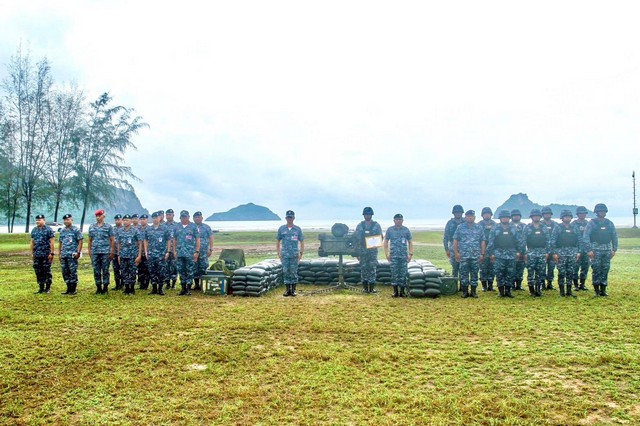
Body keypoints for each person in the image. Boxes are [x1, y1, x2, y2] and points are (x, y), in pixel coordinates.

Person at [487, 210, 524, 298]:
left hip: (511, 254)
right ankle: (501, 292)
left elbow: (519, 241)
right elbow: (491, 242)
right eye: (503, 217)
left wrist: (519, 252)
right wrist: (491, 254)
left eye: (507, 217)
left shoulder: (514, 228)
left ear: (509, 218)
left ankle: (508, 291)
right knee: (499, 273)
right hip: (498, 254)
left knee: (510, 273)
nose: (505, 218)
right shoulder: (495, 228)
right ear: (500, 218)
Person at [583, 203, 618, 297]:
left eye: (603, 211)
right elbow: (586, 237)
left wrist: (614, 249)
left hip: (607, 250)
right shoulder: (592, 223)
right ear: (597, 212)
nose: (602, 213)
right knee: (596, 269)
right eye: (600, 211)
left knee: (605, 269)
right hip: (595, 250)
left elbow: (614, 236)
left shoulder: (609, 223)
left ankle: (603, 289)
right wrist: (589, 250)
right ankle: (596, 290)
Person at [452, 210, 485, 298]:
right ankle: (465, 292)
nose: (470, 218)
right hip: (464, 255)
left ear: (474, 217)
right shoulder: (460, 227)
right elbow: (455, 240)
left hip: (475, 255)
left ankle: (473, 292)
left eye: (472, 216)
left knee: (474, 273)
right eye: (468, 216)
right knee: (464, 274)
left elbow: (482, 241)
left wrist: (482, 254)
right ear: (465, 217)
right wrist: (456, 253)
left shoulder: (479, 227)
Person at [551, 210, 580, 297]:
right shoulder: (557, 227)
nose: (567, 218)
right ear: (562, 218)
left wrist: (578, 252)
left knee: (570, 272)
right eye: (565, 216)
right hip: (561, 253)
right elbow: (553, 240)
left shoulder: (574, 227)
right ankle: (561, 291)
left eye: (569, 216)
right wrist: (554, 253)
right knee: (561, 272)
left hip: (572, 252)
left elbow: (579, 240)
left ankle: (569, 291)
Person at [384, 213, 413, 298]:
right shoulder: (390, 230)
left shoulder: (406, 230)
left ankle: (402, 292)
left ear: (402, 220)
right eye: (396, 219)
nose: (398, 221)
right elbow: (385, 241)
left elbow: (410, 242)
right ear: (394, 220)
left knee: (403, 274)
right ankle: (395, 292)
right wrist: (387, 254)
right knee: (394, 274)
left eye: (400, 219)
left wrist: (410, 254)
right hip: (393, 256)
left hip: (403, 256)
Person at [172, 210, 200, 296]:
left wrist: (197, 251)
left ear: (188, 217)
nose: (184, 218)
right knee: (181, 271)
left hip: (190, 253)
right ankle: (183, 288)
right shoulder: (177, 226)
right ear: (180, 217)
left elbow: (198, 239)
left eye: (185, 217)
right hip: (180, 253)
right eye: (182, 217)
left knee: (190, 271)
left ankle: (188, 289)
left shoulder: (193, 226)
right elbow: (175, 239)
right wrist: (174, 251)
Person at [277, 210, 305, 297]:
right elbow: (278, 241)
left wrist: (301, 253)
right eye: (288, 217)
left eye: (291, 217)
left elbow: (302, 241)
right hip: (285, 255)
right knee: (285, 271)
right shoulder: (281, 229)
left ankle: (293, 290)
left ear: (294, 218)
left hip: (294, 255)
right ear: (286, 218)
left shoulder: (297, 229)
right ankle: (287, 290)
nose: (290, 219)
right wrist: (279, 253)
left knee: (293, 271)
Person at [356, 207, 383, 294]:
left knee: (372, 269)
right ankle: (365, 288)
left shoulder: (376, 225)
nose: (367, 216)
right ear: (363, 215)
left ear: (371, 215)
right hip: (363, 251)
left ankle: (371, 288)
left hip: (372, 251)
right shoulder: (360, 225)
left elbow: (380, 237)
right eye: (366, 214)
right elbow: (356, 239)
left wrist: (373, 243)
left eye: (369, 214)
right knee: (363, 269)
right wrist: (357, 253)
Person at [524, 209, 550, 297]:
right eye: (534, 216)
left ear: (540, 217)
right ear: (531, 217)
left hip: (542, 252)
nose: (536, 217)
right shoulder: (527, 228)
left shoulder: (544, 227)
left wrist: (547, 252)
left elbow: (547, 240)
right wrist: (525, 253)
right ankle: (531, 291)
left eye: (538, 216)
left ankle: (538, 290)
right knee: (530, 272)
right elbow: (523, 241)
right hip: (531, 252)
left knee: (540, 272)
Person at [88, 209, 115, 294]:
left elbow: (112, 240)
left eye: (99, 216)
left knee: (105, 270)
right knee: (96, 270)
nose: (98, 217)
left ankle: (105, 287)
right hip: (95, 252)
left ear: (104, 216)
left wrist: (112, 252)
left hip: (105, 252)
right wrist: (89, 251)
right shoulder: (92, 227)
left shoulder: (108, 227)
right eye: (97, 216)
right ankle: (98, 287)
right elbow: (90, 240)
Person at [145, 211, 171, 295]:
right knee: (152, 271)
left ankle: (160, 288)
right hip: (151, 254)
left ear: (159, 218)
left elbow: (168, 240)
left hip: (161, 254)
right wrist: (146, 251)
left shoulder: (165, 229)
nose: (155, 219)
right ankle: (154, 288)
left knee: (161, 271)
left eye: (156, 218)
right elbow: (145, 240)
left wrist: (168, 251)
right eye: (153, 218)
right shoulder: (148, 229)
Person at [117, 214, 142, 295]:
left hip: (132, 255)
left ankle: (132, 288)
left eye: (127, 220)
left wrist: (139, 255)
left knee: (132, 272)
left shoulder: (135, 231)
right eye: (124, 220)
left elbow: (140, 243)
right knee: (124, 272)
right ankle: (126, 288)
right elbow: (119, 243)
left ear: (130, 221)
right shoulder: (120, 231)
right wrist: (118, 255)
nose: (125, 222)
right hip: (123, 255)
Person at [58, 214, 83, 295]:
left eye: (68, 219)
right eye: (65, 220)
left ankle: (73, 289)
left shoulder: (76, 229)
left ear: (72, 220)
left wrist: (78, 252)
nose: (66, 221)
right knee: (65, 272)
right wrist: (59, 254)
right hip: (64, 254)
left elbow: (80, 241)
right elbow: (60, 243)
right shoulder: (62, 230)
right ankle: (68, 288)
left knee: (72, 272)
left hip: (72, 254)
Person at [30, 214, 55, 294]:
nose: (37, 221)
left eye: (39, 220)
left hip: (46, 254)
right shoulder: (34, 230)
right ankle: (41, 287)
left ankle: (47, 288)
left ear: (44, 220)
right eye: (37, 220)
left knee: (46, 271)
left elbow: (52, 242)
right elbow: (32, 242)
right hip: (37, 254)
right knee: (38, 271)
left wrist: (52, 253)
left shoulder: (48, 229)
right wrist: (32, 253)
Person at [444, 205, 464, 288]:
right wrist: (447, 249)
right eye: (456, 212)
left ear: (462, 213)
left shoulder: (465, 222)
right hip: (452, 247)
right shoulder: (450, 223)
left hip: (464, 247)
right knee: (455, 268)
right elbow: (445, 237)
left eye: (459, 212)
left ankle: (463, 286)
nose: (458, 214)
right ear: (453, 213)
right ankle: (454, 287)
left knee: (463, 269)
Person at [193, 211, 214, 292]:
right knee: (194, 267)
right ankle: (196, 285)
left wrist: (211, 249)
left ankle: (203, 285)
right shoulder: (191, 227)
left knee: (203, 267)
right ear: (193, 218)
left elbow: (211, 238)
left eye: (199, 217)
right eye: (196, 217)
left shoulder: (206, 227)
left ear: (202, 218)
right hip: (194, 251)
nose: (197, 219)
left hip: (204, 251)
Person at [572, 206, 590, 291]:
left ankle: (582, 284)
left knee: (585, 267)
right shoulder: (573, 224)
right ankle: (575, 285)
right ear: (577, 214)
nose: (582, 215)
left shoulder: (589, 224)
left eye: (584, 213)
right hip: (576, 248)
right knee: (575, 267)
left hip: (586, 249)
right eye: (580, 213)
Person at [478, 207, 496, 292]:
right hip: (482, 250)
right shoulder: (479, 225)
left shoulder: (495, 224)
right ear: (482, 215)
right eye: (485, 214)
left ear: (491, 215)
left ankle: (491, 285)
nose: (487, 215)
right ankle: (484, 286)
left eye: (488, 213)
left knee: (492, 268)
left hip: (493, 250)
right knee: (483, 268)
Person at [541, 206, 558, 290]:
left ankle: (550, 283)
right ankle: (542, 284)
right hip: (543, 249)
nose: (547, 215)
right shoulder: (539, 224)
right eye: (545, 214)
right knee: (542, 267)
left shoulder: (556, 224)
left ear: (551, 214)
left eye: (548, 213)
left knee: (551, 267)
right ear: (542, 215)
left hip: (553, 249)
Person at [511, 209, 526, 291]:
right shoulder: (508, 226)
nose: (516, 217)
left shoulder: (524, 226)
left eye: (517, 215)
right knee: (511, 269)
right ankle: (512, 285)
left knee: (520, 269)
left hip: (522, 251)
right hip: (511, 251)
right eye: (514, 215)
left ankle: (519, 285)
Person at [164, 208, 179, 289]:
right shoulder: (163, 226)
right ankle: (167, 284)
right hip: (165, 249)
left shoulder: (177, 225)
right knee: (166, 266)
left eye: (170, 214)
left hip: (174, 249)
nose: (168, 216)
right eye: (167, 215)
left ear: (173, 215)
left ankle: (173, 284)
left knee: (174, 267)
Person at [136, 214, 150, 290]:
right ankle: (141, 284)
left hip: (147, 252)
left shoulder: (150, 229)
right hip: (139, 252)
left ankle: (146, 284)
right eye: (141, 219)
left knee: (147, 268)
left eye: (144, 219)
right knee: (140, 268)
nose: (142, 221)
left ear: (147, 220)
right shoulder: (137, 229)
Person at [112, 214, 124, 290]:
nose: (117, 221)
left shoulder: (124, 228)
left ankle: (123, 283)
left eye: (118, 220)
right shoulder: (112, 229)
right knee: (115, 269)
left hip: (123, 252)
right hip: (114, 252)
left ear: (121, 220)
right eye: (116, 220)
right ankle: (117, 284)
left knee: (123, 268)